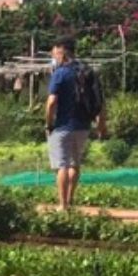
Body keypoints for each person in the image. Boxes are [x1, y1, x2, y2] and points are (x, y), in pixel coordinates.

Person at [45, 38, 105, 212]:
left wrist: (48, 123)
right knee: (74, 164)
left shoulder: (60, 73)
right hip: (83, 127)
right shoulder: (87, 72)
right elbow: (100, 102)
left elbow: (51, 102)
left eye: (55, 52)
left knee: (61, 165)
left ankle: (62, 205)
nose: (54, 56)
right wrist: (101, 125)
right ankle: (70, 201)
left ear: (62, 51)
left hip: (63, 126)